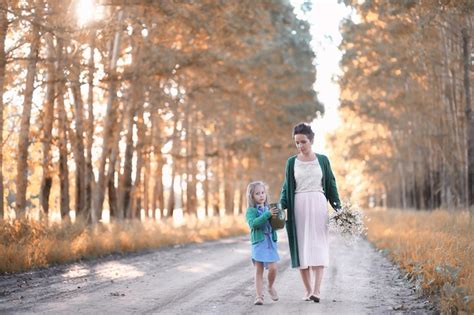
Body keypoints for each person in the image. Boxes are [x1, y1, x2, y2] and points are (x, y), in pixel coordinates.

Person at [279, 122, 341, 303]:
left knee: (318, 246)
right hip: (298, 205)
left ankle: (317, 291)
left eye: (303, 142)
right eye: (297, 142)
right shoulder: (291, 162)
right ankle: (307, 291)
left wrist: (338, 208)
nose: (300, 146)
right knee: (302, 247)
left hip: (318, 204)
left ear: (311, 140)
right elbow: (286, 187)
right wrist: (281, 206)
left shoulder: (323, 160)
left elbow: (331, 184)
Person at [245, 181, 280, 305]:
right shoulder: (251, 211)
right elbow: (253, 224)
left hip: (270, 241)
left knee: (273, 268)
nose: (261, 195)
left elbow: (276, 225)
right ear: (252, 196)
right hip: (259, 242)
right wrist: (267, 215)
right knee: (258, 270)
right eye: (257, 193)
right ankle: (259, 296)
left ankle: (270, 287)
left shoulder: (270, 208)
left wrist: (279, 218)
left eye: (263, 193)